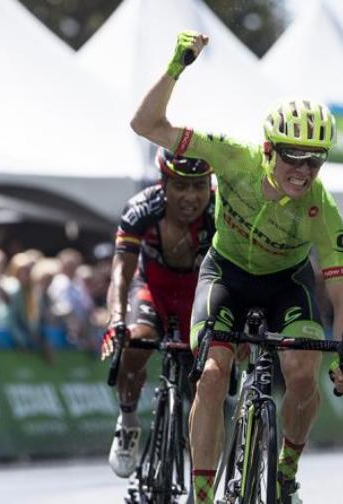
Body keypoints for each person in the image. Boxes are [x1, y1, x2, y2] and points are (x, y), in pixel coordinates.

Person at [129, 31, 343, 504]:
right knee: (212, 375)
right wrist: (178, 64)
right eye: (293, 157)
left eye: (315, 161)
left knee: (302, 374)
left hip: (285, 286)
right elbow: (145, 123)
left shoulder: (322, 208)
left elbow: (342, 293)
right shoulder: (232, 157)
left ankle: (286, 471)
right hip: (226, 278)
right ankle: (201, 493)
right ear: (269, 149)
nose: (303, 170)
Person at [101, 147, 215, 478]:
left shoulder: (222, 212)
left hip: (198, 293)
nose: (191, 197)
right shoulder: (140, 209)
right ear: (163, 183)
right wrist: (116, 320)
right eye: (181, 186)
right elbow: (120, 273)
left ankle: (201, 463)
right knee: (137, 343)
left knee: (206, 376)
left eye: (199, 186)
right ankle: (128, 421)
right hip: (151, 287)